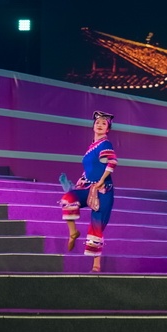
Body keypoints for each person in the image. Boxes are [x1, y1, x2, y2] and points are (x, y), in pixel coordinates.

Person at [60, 110, 117, 273]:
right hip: (88, 187)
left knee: (96, 227)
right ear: (93, 126)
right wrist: (83, 178)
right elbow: (92, 168)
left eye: (104, 124)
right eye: (97, 123)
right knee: (68, 198)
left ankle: (96, 265)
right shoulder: (92, 147)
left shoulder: (106, 144)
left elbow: (112, 163)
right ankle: (73, 232)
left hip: (103, 191)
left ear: (108, 129)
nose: (99, 125)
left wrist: (101, 180)